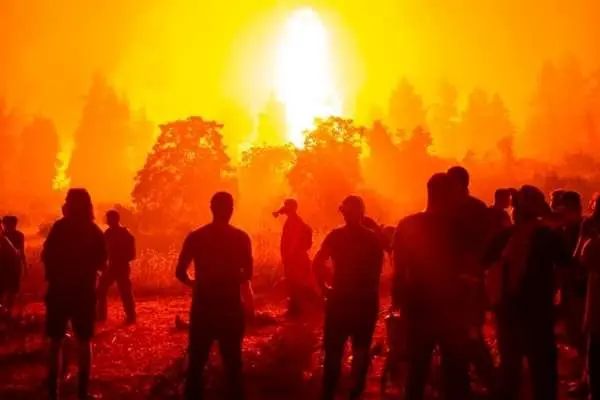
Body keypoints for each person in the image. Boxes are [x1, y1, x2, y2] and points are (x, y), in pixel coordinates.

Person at [483, 185, 571, 400]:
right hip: (539, 310)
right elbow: (568, 266)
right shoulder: (548, 236)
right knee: (543, 370)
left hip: (509, 310)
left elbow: (484, 261)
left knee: (511, 369)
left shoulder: (507, 236)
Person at [394, 173, 471, 400]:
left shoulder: (408, 225)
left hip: (417, 305)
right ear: (448, 195)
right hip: (452, 307)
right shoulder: (458, 227)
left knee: (417, 369)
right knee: (455, 370)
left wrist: (399, 302)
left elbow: (399, 269)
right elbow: (469, 266)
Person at [176, 192, 253, 400]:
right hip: (230, 308)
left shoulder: (196, 237)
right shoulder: (241, 238)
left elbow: (180, 272)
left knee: (196, 363)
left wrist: (196, 283)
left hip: (203, 308)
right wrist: (229, 279)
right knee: (233, 364)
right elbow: (247, 274)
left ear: (211, 209)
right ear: (231, 210)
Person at [313, 195, 384, 400]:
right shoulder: (373, 240)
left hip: (340, 301)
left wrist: (324, 288)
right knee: (360, 350)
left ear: (343, 213)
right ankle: (355, 392)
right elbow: (376, 273)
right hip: (365, 303)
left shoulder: (335, 236)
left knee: (334, 352)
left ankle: (329, 392)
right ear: (362, 213)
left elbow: (317, 263)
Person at [42, 188, 107, 400]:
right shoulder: (94, 231)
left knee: (55, 341)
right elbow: (102, 263)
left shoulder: (59, 228)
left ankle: (53, 391)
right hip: (83, 293)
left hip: (59, 291)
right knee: (84, 341)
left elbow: (47, 256)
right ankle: (82, 391)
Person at [447, 166, 497, 394]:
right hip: (458, 282)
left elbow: (489, 243)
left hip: (469, 283)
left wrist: (474, 268)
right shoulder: (470, 208)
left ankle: (489, 381)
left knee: (470, 333)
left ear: (460, 184)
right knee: (460, 335)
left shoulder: (470, 210)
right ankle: (469, 382)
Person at [273, 199, 313, 316]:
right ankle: (296, 312)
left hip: (296, 260)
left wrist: (287, 259)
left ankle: (296, 313)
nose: (284, 207)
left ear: (291, 208)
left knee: (295, 285)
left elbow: (293, 242)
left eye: (286, 205)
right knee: (294, 285)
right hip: (297, 259)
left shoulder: (294, 222)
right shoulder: (294, 220)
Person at [96, 210, 136, 324]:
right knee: (101, 289)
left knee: (125, 291)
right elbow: (102, 251)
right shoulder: (108, 233)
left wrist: (120, 258)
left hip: (121, 266)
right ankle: (101, 315)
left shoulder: (125, 234)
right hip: (112, 266)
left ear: (115, 219)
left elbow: (132, 254)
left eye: (109, 218)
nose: (107, 221)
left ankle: (131, 316)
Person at [581, 229, 600, 400]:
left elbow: (580, 260)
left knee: (595, 355)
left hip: (597, 316)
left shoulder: (594, 245)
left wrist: (583, 235)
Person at [0, 215, 25, 317]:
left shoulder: (18, 235)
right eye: (5, 223)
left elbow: (20, 251)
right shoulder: (2, 235)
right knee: (2, 289)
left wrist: (24, 264)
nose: (6, 225)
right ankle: (3, 310)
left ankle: (8, 311)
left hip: (13, 265)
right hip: (3, 265)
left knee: (12, 290)